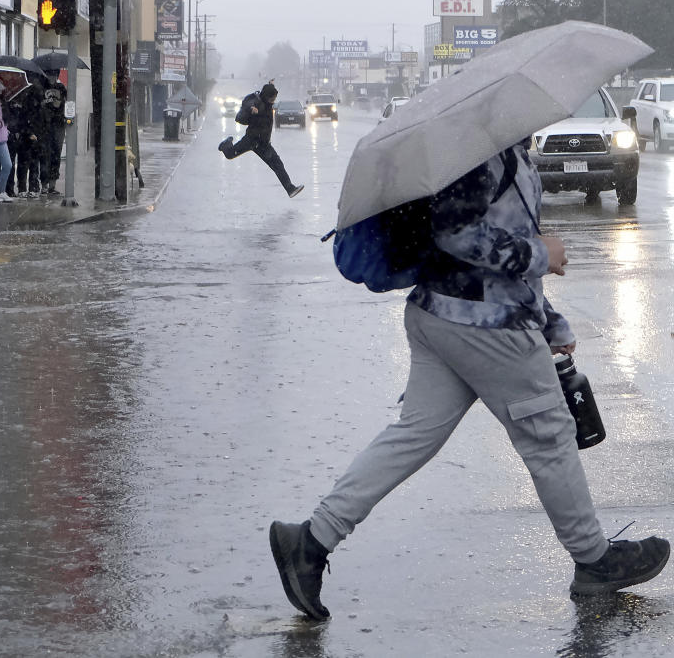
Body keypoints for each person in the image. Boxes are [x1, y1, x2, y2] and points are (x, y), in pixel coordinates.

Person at [269, 142, 670, 619]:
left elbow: (495, 243)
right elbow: (456, 233)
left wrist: (549, 319)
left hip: (440, 314)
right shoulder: (483, 153)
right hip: (485, 325)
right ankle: (594, 559)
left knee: (413, 435)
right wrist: (539, 253)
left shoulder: (496, 150)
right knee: (550, 437)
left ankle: (311, 541)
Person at [218, 82, 304, 198]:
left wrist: (271, 85)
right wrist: (251, 109)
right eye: (272, 98)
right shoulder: (257, 103)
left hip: (263, 142)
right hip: (254, 140)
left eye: (275, 98)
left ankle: (290, 189)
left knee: (277, 165)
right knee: (230, 154)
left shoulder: (266, 102)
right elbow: (250, 103)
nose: (274, 100)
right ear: (267, 96)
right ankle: (226, 144)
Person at [15, 77, 46, 199]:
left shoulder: (29, 105)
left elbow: (23, 122)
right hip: (30, 138)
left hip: (28, 139)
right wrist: (32, 134)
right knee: (31, 164)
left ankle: (25, 188)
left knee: (27, 164)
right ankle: (31, 187)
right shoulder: (35, 107)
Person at [40, 76, 67, 196]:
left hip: (58, 125)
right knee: (45, 156)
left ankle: (52, 185)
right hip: (45, 126)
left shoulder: (61, 88)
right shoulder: (41, 88)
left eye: (54, 74)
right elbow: (38, 106)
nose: (52, 77)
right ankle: (44, 185)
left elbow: (67, 102)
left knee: (56, 155)